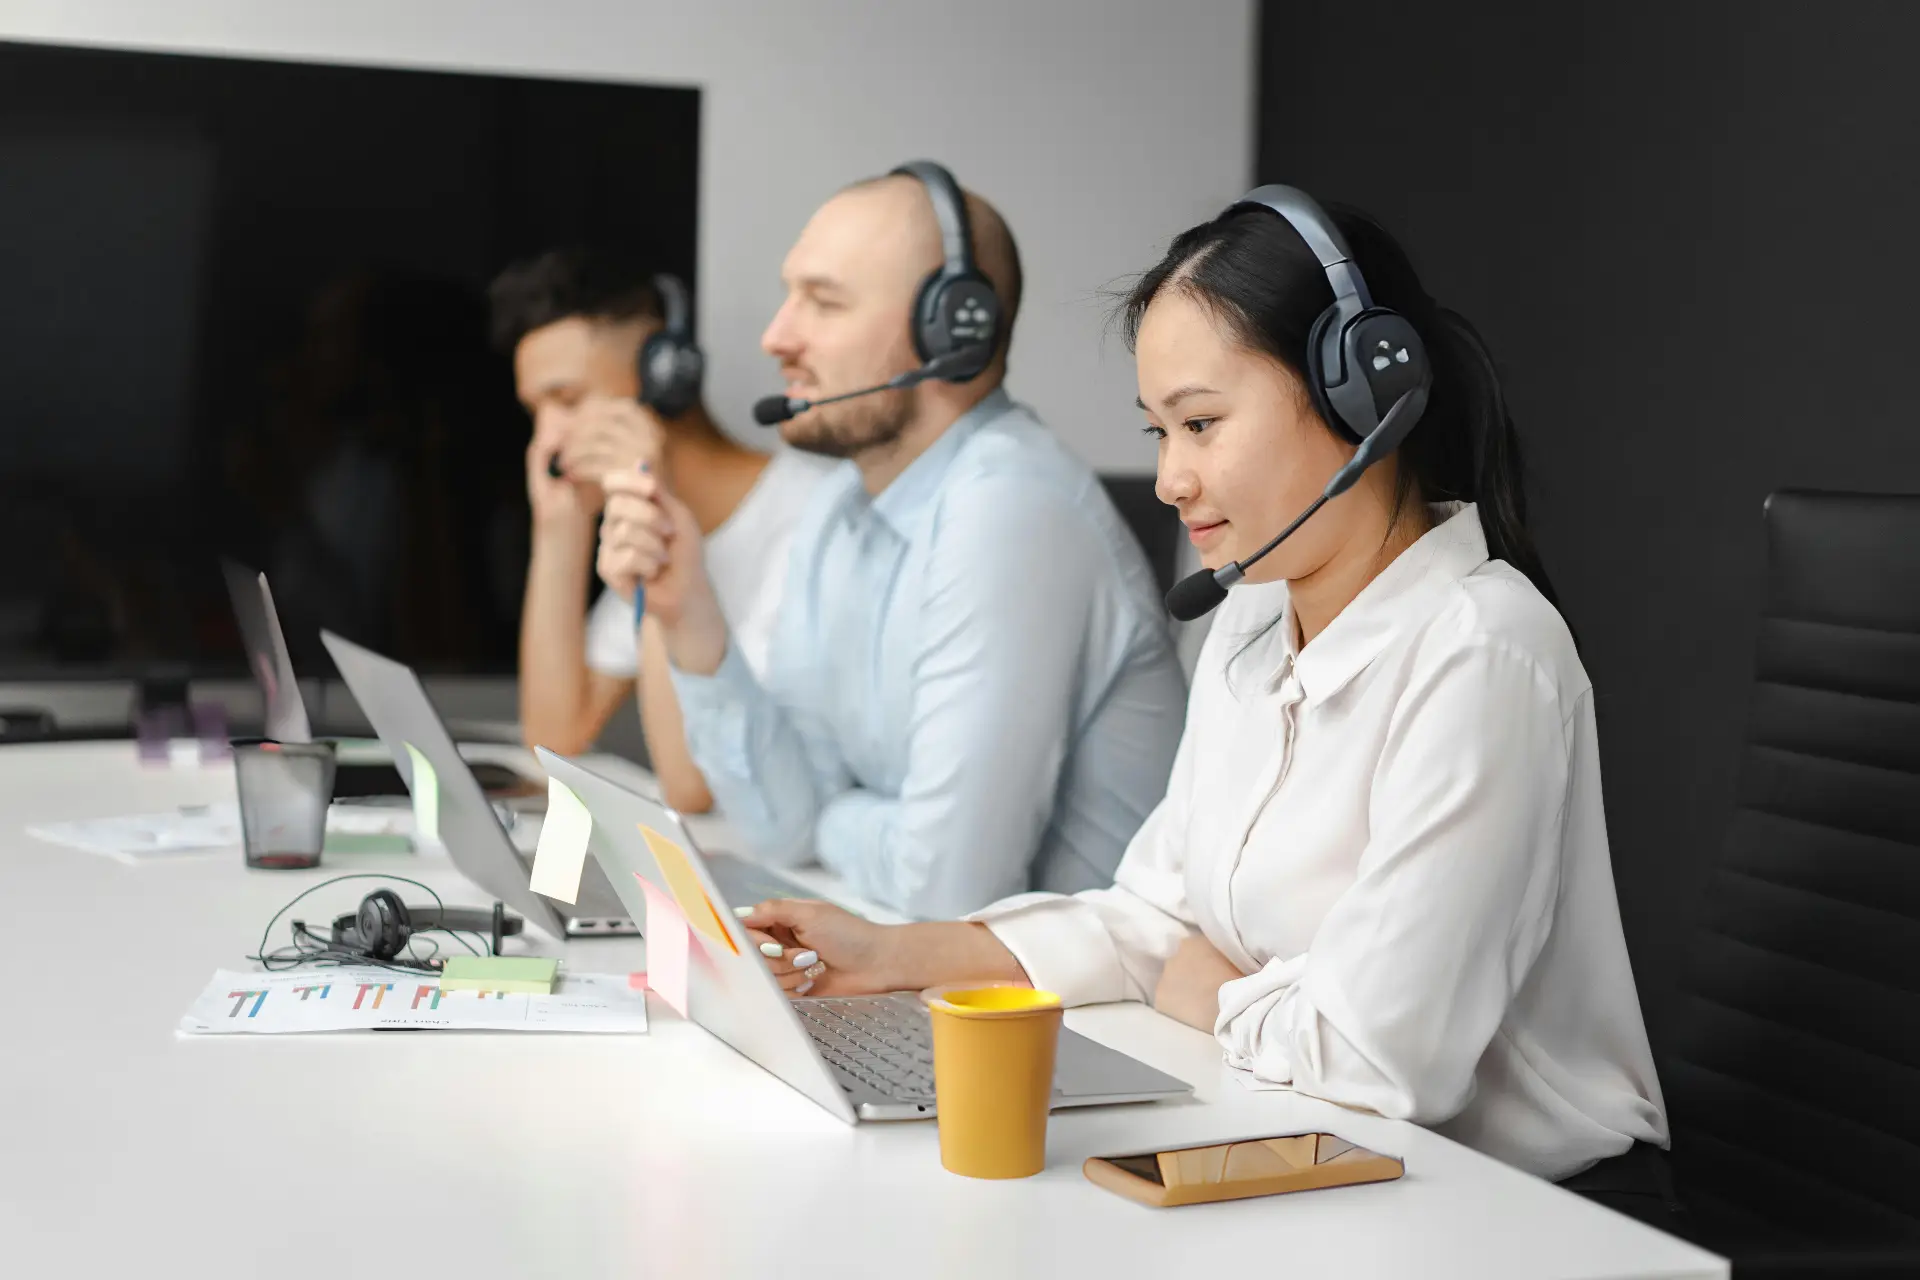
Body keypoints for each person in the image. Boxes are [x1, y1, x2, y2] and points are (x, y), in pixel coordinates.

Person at [726, 188, 1672, 1191]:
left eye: (1201, 423)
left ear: (1362, 395)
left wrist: (1200, 977)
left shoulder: (1484, 651)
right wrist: (893, 953)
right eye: (1159, 431)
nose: (1172, 477)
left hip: (1517, 1205)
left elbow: (1378, 1059)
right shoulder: (1253, 619)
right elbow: (1146, 921)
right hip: (1326, 1155)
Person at [595, 164, 1187, 918]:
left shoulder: (1013, 509)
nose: (778, 336)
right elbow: (781, 826)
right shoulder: (843, 504)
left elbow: (947, 888)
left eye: (824, 301)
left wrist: (836, 815)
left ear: (953, 329)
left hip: (1070, 1016)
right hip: (931, 973)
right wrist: (690, 617)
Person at [490, 250, 831, 811]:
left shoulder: (811, 517)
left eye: (568, 400)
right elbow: (554, 738)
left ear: (666, 376)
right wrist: (560, 530)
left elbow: (693, 787)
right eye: (535, 412)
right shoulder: (630, 533)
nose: (547, 438)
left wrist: (654, 527)